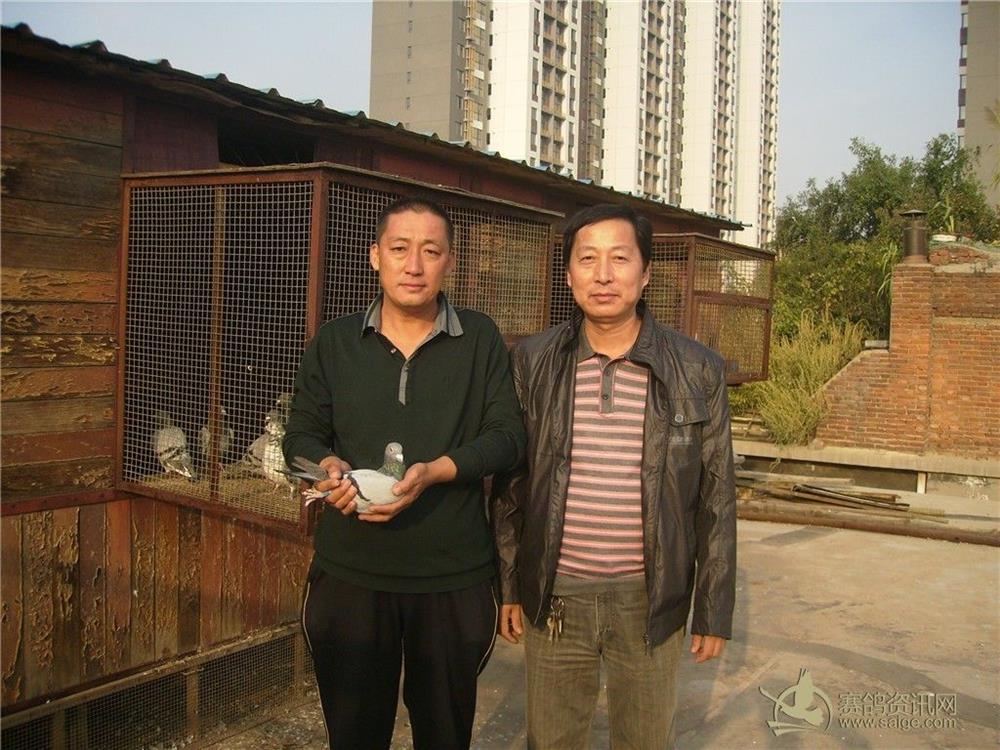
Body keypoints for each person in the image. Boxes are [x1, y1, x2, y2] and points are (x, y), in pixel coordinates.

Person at [284, 196, 526, 750]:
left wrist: (436, 471)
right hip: (351, 574)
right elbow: (300, 437)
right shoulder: (335, 342)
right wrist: (326, 469)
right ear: (375, 256)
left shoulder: (480, 339)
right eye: (399, 249)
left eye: (430, 251)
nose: (414, 265)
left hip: (451, 576)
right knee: (354, 733)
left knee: (444, 734)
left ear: (450, 262)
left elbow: (508, 438)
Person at [492, 203, 737, 749]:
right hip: (556, 594)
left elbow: (717, 498)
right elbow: (511, 484)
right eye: (588, 259)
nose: (603, 275)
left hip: (651, 598)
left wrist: (712, 609)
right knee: (550, 741)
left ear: (645, 274)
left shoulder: (697, 368)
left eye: (620, 259)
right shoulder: (532, 360)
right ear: (569, 274)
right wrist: (508, 584)